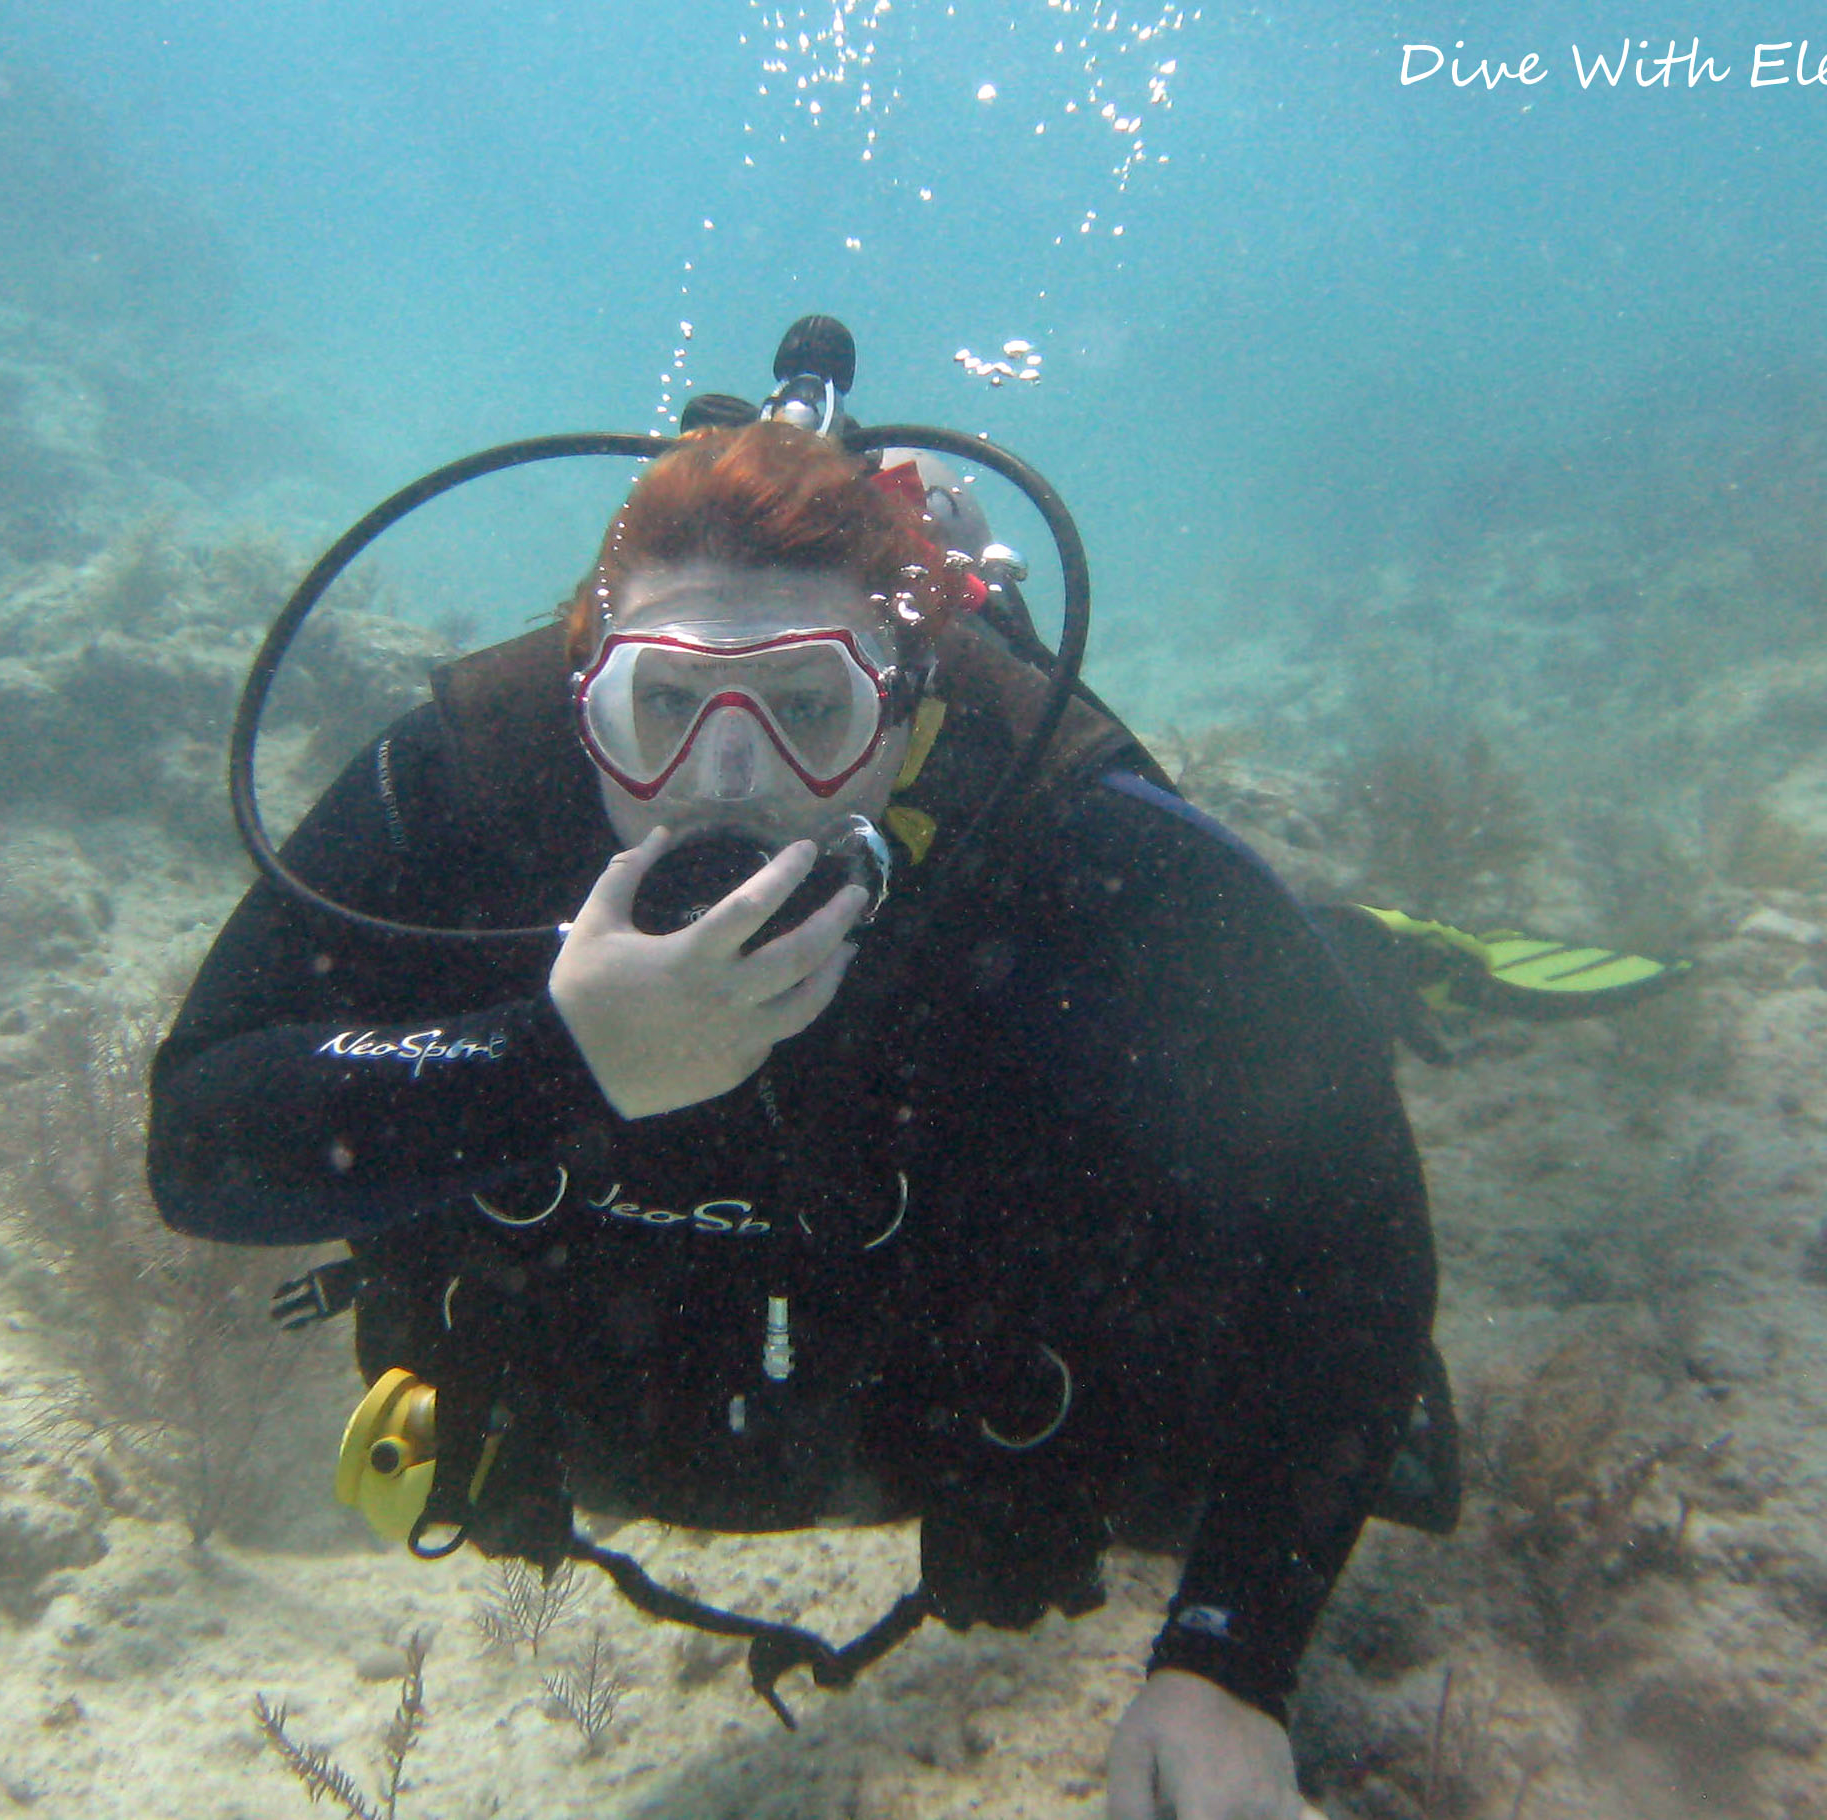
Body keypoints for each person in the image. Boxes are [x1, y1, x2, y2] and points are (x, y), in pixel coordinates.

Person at [150, 406, 1441, 1820]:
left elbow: (1353, 1228)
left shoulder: (1058, 827)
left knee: (1281, 1087)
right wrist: (553, 1061)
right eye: (664, 706)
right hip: (626, 1392)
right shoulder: (473, 783)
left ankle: (1358, 945)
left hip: (991, 1420)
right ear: (586, 699)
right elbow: (200, 1136)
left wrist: (1232, 1664)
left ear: (906, 709)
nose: (729, 780)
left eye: (810, 708)